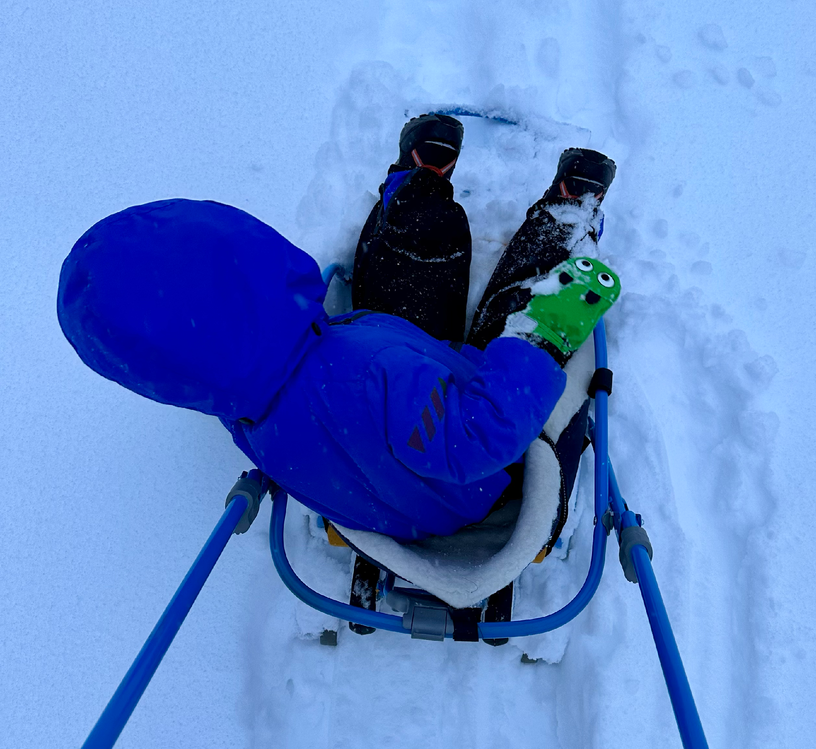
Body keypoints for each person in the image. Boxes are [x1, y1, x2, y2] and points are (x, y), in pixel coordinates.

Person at [56, 115, 619, 541]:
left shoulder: (244, 407)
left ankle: (418, 191)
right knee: (530, 301)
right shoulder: (366, 377)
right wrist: (538, 340)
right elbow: (477, 435)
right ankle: (558, 221)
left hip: (398, 434)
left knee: (414, 253)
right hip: (480, 436)